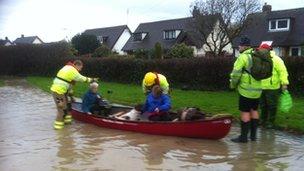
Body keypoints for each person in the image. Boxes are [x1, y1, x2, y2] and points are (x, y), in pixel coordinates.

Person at [229, 36, 263, 143]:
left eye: (240, 45)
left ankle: (243, 137)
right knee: (254, 110)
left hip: (246, 90)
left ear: (244, 46)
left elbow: (235, 74)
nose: (238, 47)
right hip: (257, 90)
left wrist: (232, 85)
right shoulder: (257, 55)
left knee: (245, 112)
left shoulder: (243, 57)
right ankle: (253, 137)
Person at [51, 60, 94, 130]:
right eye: (80, 68)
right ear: (77, 65)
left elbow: (69, 87)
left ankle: (67, 125)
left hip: (62, 92)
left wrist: (71, 97)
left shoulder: (67, 68)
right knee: (61, 110)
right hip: (58, 92)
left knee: (68, 107)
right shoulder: (73, 71)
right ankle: (58, 131)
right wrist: (92, 80)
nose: (80, 70)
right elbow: (82, 78)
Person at [259, 44, 289, 128]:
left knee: (272, 105)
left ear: (266, 50)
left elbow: (283, 72)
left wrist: (284, 83)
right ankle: (262, 120)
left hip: (273, 88)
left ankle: (270, 122)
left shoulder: (277, 60)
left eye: (261, 50)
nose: (259, 51)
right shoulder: (260, 59)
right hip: (261, 87)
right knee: (262, 105)